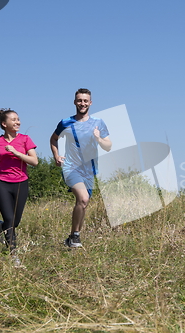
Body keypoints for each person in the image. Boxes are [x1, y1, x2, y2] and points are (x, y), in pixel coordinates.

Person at [50, 88, 112, 248]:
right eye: (79, 100)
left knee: (83, 203)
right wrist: (56, 155)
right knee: (83, 198)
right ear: (74, 102)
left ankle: (72, 237)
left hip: (89, 170)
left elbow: (108, 146)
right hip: (71, 167)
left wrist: (98, 139)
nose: (82, 103)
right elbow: (53, 139)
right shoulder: (65, 122)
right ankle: (76, 237)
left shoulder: (98, 123)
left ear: (90, 103)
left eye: (85, 101)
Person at [0, 108, 38, 252]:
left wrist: (16, 152)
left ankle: (1, 226)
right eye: (14, 120)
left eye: (18, 119)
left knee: (15, 221)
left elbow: (34, 161)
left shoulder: (25, 139)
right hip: (2, 183)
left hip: (21, 183)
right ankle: (13, 253)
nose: (18, 122)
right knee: (10, 219)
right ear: (4, 124)